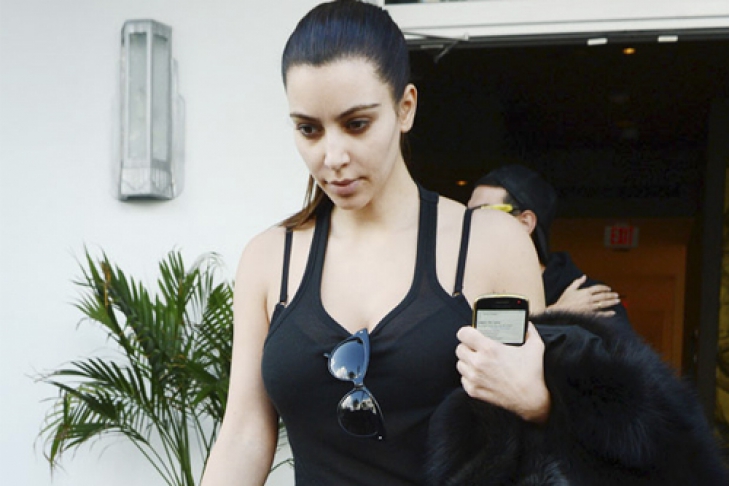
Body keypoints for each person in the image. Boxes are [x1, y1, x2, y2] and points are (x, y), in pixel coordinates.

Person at [201, 2, 548, 485]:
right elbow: (243, 433)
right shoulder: (269, 259)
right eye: (309, 129)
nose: (333, 156)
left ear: (405, 108)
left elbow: (539, 434)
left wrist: (542, 402)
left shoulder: (492, 245)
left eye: (356, 124)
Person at [468, 164, 633, 332]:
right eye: (466, 215)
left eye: (482, 212)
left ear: (525, 222)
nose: (468, 224)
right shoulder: (467, 286)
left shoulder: (591, 299)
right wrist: (553, 315)